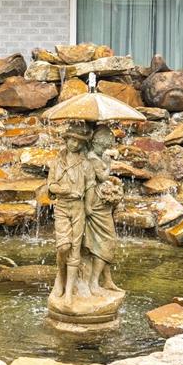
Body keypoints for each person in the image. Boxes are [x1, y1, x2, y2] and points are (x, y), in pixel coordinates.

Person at [47, 122, 94, 306]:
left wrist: (88, 206)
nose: (74, 144)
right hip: (62, 207)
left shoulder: (85, 164)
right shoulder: (56, 162)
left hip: (78, 208)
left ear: (82, 144)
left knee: (75, 248)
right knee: (63, 247)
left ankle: (68, 292)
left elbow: (90, 185)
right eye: (71, 140)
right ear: (66, 140)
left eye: (78, 141)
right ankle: (60, 275)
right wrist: (62, 190)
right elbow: (50, 185)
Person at [83, 125, 123, 295]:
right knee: (107, 241)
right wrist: (108, 163)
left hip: (100, 202)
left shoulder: (96, 154)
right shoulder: (92, 157)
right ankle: (93, 282)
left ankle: (107, 280)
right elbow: (102, 177)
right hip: (95, 204)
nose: (106, 148)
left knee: (103, 242)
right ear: (98, 141)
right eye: (105, 144)